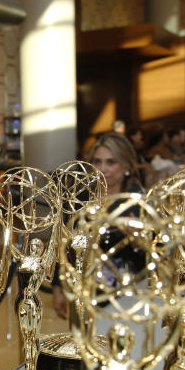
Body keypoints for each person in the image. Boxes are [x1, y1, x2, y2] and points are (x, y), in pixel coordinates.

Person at [53, 132, 142, 319]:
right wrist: (58, 287)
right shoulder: (81, 198)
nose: (104, 168)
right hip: (84, 287)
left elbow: (154, 255)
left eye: (111, 162)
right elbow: (64, 244)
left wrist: (138, 241)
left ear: (125, 165)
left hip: (126, 292)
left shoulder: (136, 202)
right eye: (97, 161)